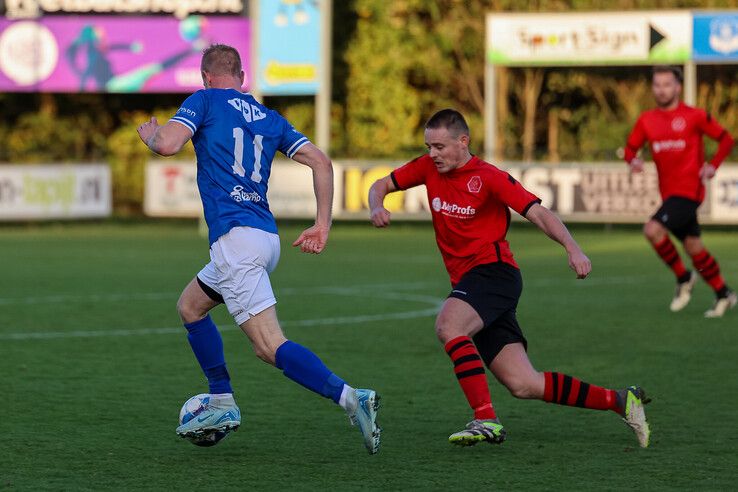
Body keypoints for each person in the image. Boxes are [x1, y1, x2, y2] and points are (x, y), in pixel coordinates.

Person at [136, 44, 380, 454]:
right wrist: (322, 225)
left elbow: (167, 144)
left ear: (205, 77)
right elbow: (321, 162)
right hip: (264, 237)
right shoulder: (269, 117)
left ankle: (353, 398)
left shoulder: (205, 100)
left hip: (236, 241)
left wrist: (151, 136)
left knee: (269, 346)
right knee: (190, 307)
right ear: (242, 77)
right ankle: (221, 398)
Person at [368, 109, 650, 448]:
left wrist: (572, 247)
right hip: (475, 281)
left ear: (463, 141)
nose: (433, 154)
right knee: (523, 383)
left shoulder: (489, 177)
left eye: (440, 146)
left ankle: (485, 418)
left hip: (495, 273)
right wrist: (375, 205)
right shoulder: (428, 168)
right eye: (428, 146)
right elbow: (381, 184)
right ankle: (619, 400)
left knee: (449, 326)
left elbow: (538, 213)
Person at [624, 66, 736, 317]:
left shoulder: (694, 116)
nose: (661, 89)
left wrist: (713, 166)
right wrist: (633, 161)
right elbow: (630, 150)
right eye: (657, 85)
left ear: (677, 87)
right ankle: (724, 294)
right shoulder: (647, 120)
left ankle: (684, 278)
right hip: (669, 193)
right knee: (694, 246)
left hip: (690, 191)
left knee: (652, 229)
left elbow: (726, 139)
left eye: (667, 84)